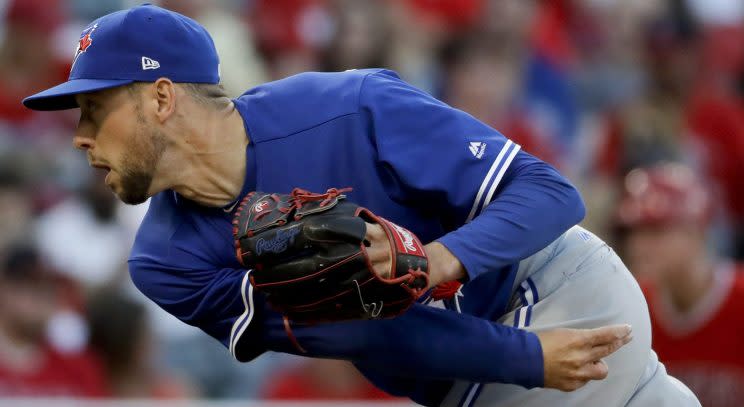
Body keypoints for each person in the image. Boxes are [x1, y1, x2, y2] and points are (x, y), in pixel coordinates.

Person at [22, 5, 698, 407]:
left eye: (94, 110)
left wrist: (438, 260)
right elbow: (351, 331)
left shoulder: (348, 106)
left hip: (552, 289)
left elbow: (552, 193)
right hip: (481, 369)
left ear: (161, 100)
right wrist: (520, 358)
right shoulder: (165, 259)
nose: (78, 135)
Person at [616, 163, 744, 407]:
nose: (638, 246)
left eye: (655, 231)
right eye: (634, 233)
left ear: (696, 232)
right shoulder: (631, 306)